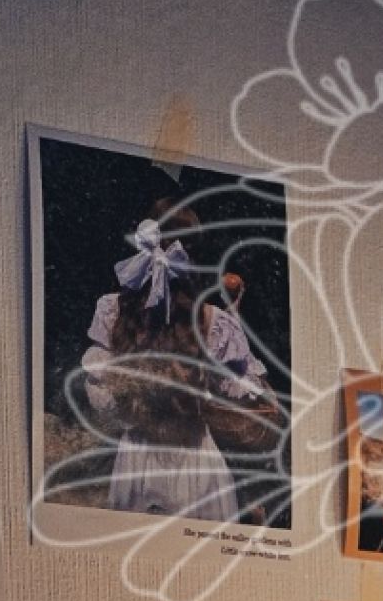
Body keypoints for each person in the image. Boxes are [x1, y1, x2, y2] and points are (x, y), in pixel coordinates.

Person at [75, 206, 276, 520]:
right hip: (195, 460)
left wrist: (139, 409)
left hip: (137, 460)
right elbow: (243, 394)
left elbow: (102, 398)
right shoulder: (214, 322)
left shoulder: (114, 310)